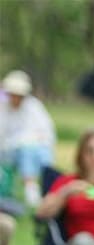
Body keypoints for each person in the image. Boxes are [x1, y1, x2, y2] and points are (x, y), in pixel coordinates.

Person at [0, 70, 56, 207]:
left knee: (29, 152)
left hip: (36, 151)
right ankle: (27, 191)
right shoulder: (3, 109)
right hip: (9, 152)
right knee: (24, 152)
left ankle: (34, 190)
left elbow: (46, 134)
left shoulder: (34, 108)